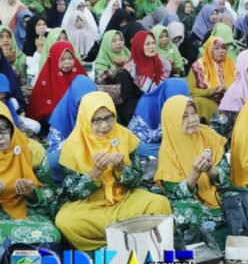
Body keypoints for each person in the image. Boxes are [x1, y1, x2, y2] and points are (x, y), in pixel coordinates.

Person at [55, 92, 172, 251]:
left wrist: (120, 169)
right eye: (97, 120)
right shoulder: (72, 146)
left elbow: (137, 179)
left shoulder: (124, 136)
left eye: (109, 118)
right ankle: (114, 243)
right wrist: (95, 173)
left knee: (159, 204)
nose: (104, 126)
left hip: (124, 199)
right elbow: (71, 192)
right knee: (65, 222)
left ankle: (125, 240)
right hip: (90, 206)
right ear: (85, 118)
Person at [156, 95, 229, 243]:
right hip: (192, 202)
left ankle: (218, 218)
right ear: (172, 121)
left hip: (217, 194)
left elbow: (226, 176)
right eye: (184, 116)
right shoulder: (167, 150)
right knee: (182, 211)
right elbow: (175, 194)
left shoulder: (209, 135)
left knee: (240, 195)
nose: (193, 119)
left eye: (194, 113)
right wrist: (194, 174)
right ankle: (223, 218)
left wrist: (210, 170)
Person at [0, 103, 60, 246]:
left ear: (12, 128)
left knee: (52, 236)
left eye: (3, 129)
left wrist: (32, 193)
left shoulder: (32, 150)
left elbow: (52, 192)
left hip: (30, 212)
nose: (0, 137)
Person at [46, 76, 98, 182]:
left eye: (89, 102)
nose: (85, 108)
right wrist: (79, 145)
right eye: (80, 103)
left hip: (96, 153)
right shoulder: (60, 116)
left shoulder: (99, 110)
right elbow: (55, 147)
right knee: (54, 159)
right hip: (72, 153)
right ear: (73, 99)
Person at [26, 42, 86, 129]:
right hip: (54, 115)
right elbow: (40, 106)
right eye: (62, 59)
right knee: (52, 121)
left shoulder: (79, 73)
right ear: (54, 59)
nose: (67, 62)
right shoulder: (46, 77)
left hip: (77, 112)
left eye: (70, 58)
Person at [127, 78, 190, 159]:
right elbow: (140, 138)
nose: (176, 105)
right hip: (152, 144)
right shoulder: (147, 104)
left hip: (174, 144)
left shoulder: (187, 103)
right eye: (173, 101)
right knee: (139, 149)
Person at [118, 31, 171, 124]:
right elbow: (128, 101)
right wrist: (149, 104)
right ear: (138, 46)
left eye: (153, 43)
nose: (152, 46)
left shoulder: (162, 64)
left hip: (162, 105)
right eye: (147, 44)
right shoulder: (130, 70)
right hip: (142, 110)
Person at [187, 36, 237, 122]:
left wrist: (227, 90)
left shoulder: (231, 65)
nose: (221, 51)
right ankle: (216, 122)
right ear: (209, 50)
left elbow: (239, 88)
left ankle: (227, 122)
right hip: (210, 102)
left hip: (230, 104)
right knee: (197, 102)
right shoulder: (198, 67)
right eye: (216, 48)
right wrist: (211, 91)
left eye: (223, 48)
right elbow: (191, 90)